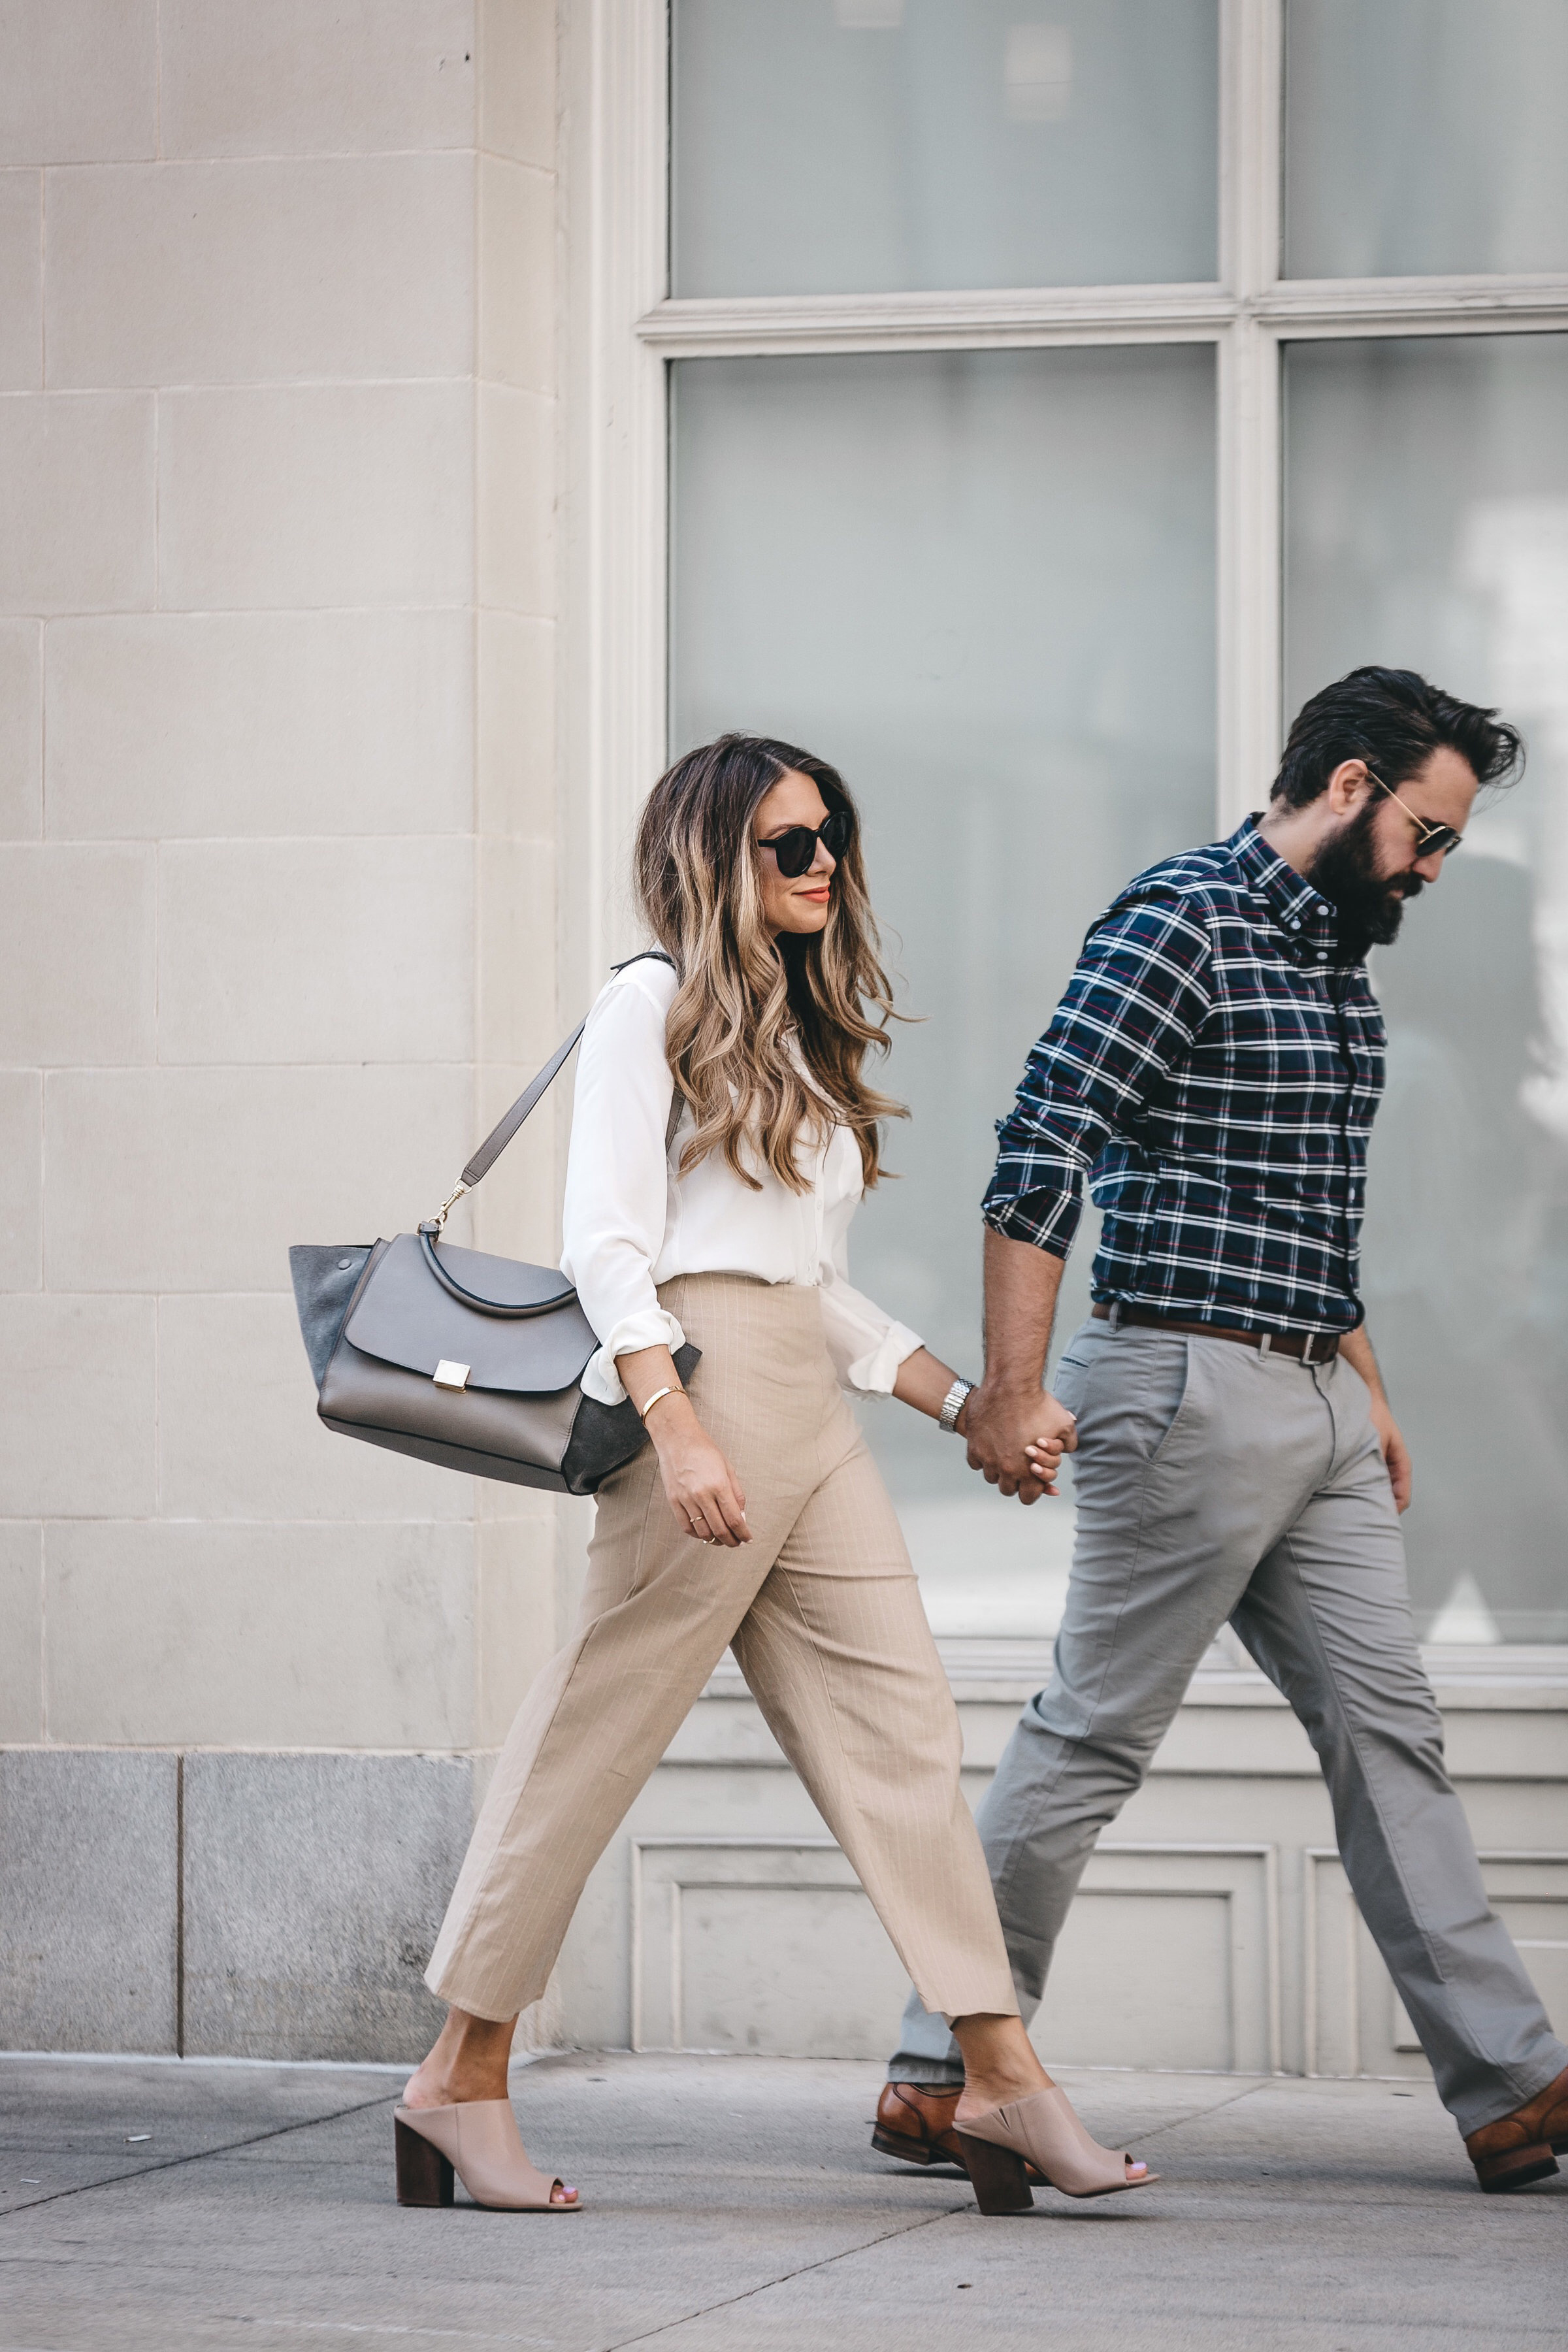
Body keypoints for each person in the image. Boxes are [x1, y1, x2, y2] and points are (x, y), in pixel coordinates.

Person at [397, 734, 1154, 2214]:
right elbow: (609, 1245)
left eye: (830, 842)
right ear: (711, 858)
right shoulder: (651, 1003)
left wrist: (966, 1403)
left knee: (902, 1732)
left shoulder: (795, 1032)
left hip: (805, 1402)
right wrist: (673, 1422)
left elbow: (812, 1287)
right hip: (704, 1388)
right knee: (596, 1733)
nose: (820, 866)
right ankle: (457, 2080)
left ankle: (997, 2077)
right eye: (785, 845)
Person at [877, 668, 1568, 2197]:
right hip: (1184, 1383)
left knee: (1393, 1732)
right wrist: (1011, 1388)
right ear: (1350, 784)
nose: (1437, 870)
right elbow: (1042, 1134)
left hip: (1312, 1392)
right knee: (1094, 1733)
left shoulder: (1335, 955)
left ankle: (1515, 2084)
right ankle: (942, 2065)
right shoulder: (1181, 917)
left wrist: (1365, 1391)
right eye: (1429, 835)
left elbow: (1317, 1207)